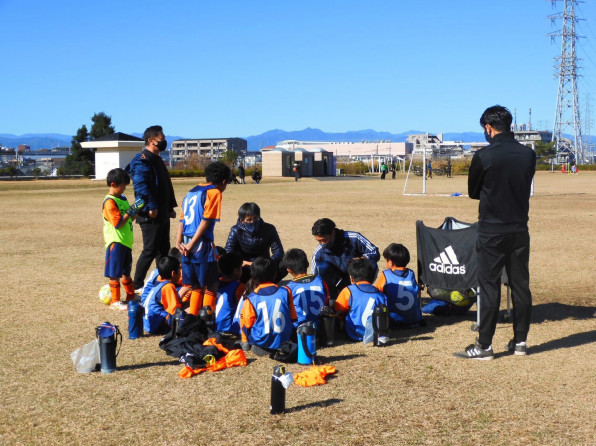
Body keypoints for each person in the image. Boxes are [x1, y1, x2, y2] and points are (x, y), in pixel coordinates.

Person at [455, 105, 536, 360]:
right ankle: (520, 341)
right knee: (520, 285)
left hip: (491, 230)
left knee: (489, 286)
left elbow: (473, 192)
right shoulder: (528, 154)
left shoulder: (484, 156)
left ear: (488, 128)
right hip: (519, 229)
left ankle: (485, 345)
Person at [126, 125, 178, 293]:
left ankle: (162, 281)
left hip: (162, 213)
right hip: (149, 214)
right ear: (151, 140)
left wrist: (170, 206)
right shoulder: (142, 160)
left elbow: (164, 185)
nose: (164, 142)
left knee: (164, 249)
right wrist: (151, 207)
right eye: (161, 140)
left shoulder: (158, 159)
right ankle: (138, 285)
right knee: (150, 250)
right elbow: (141, 186)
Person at [176, 161, 231, 316]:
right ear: (224, 182)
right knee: (212, 283)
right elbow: (206, 220)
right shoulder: (214, 192)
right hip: (200, 243)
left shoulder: (191, 192)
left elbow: (182, 219)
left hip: (185, 242)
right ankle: (208, 320)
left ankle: (193, 316)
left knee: (195, 284)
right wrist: (193, 243)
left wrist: (178, 241)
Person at [102, 168, 145, 310]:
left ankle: (131, 295)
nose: (124, 189)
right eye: (123, 186)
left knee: (126, 271)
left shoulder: (123, 199)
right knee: (115, 273)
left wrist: (137, 210)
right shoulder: (109, 202)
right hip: (116, 241)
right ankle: (114, 301)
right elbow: (118, 223)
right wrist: (131, 210)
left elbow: (129, 219)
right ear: (113, 184)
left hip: (126, 241)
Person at [311, 218, 380, 300]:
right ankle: (333, 298)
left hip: (357, 277)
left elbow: (374, 251)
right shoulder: (319, 252)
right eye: (319, 241)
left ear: (333, 232)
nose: (322, 244)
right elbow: (313, 277)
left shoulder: (354, 237)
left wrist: (360, 259)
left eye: (325, 240)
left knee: (371, 263)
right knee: (323, 267)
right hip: (336, 283)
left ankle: (365, 292)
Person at [240, 258, 297, 355]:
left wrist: (245, 340)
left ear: (253, 276)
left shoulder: (251, 298)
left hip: (262, 341)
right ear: (275, 274)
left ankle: (252, 344)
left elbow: (247, 323)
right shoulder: (286, 291)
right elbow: (293, 317)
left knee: (246, 322)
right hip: (285, 339)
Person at [225, 202, 285, 283]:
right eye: (249, 220)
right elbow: (228, 251)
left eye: (255, 219)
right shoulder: (235, 230)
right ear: (242, 220)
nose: (252, 222)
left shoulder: (269, 229)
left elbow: (279, 252)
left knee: (285, 263)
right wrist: (241, 262)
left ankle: (269, 283)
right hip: (244, 268)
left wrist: (266, 263)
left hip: (264, 266)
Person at [333, 258, 388, 342]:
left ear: (351, 278)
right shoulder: (380, 294)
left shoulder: (348, 291)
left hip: (353, 334)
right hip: (376, 335)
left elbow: (337, 310)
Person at [374, 243, 422, 326]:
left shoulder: (385, 275)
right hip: (414, 320)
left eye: (385, 260)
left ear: (390, 262)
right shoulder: (411, 273)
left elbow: (377, 293)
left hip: (393, 320)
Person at [282, 248, 329, 329]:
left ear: (289, 270)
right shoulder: (321, 281)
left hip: (300, 328)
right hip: (321, 326)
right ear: (307, 264)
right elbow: (327, 300)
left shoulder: (289, 288)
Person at [142, 255, 182, 335]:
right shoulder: (168, 287)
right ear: (173, 273)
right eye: (179, 270)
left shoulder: (159, 282)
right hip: (157, 326)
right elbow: (175, 311)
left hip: (148, 323)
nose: (180, 273)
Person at [214, 252, 245, 335]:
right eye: (241, 268)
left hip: (213, 329)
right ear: (236, 270)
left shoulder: (213, 285)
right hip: (228, 331)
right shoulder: (238, 287)